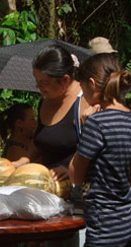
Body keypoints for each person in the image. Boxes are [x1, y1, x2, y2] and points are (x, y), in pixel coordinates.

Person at [69, 53, 131, 246]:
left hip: (105, 228)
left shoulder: (96, 123)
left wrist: (86, 128)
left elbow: (75, 176)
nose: (83, 95)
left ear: (92, 83)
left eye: (82, 87)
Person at [28, 45, 90, 247]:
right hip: (47, 196)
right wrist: (23, 161)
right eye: (36, 81)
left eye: (44, 83)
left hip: (76, 200)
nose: (39, 87)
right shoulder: (44, 100)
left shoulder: (86, 103)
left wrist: (72, 168)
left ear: (65, 80)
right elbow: (41, 141)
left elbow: (98, 150)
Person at [0, 103, 37, 168]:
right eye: (32, 119)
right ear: (19, 123)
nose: (35, 122)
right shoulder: (15, 150)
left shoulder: (27, 142)